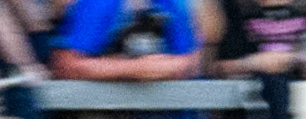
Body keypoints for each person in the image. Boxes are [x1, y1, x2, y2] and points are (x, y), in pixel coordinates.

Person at [46, 0, 199, 79]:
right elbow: (65, 64)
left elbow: (191, 60)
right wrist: (135, 69)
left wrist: (169, 67)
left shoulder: (170, 4)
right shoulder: (97, 4)